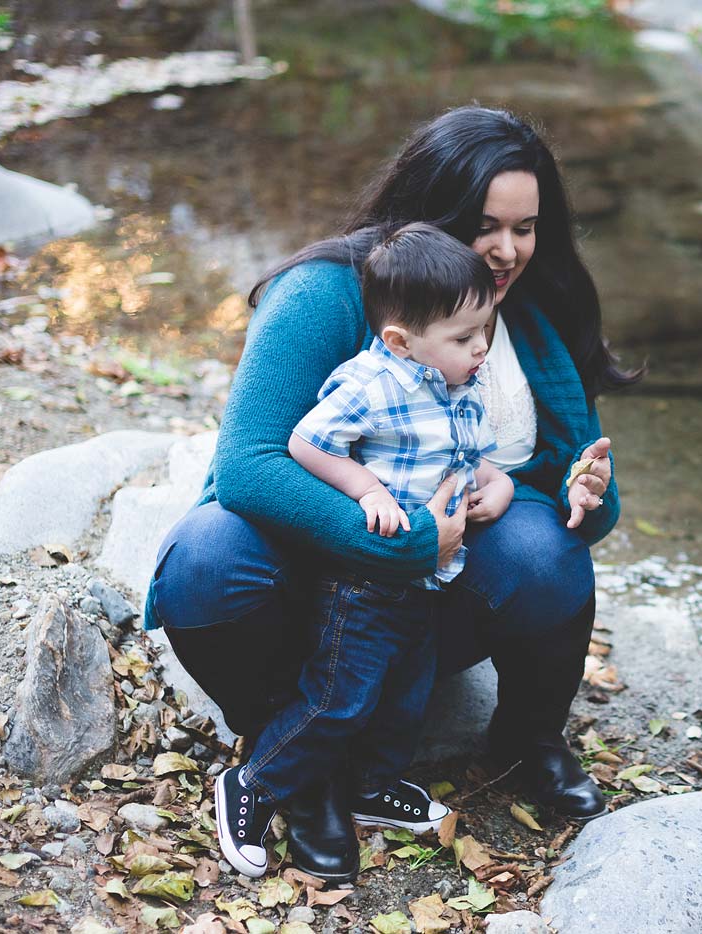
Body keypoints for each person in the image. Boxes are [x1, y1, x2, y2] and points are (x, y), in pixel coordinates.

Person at [146, 105, 641, 884]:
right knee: (207, 561)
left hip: (428, 599)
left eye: (527, 226)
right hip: (317, 571)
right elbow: (248, 465)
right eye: (485, 225)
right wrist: (407, 537)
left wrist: (584, 492)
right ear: (432, 211)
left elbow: (566, 482)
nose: (508, 251)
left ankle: (526, 738)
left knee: (548, 553)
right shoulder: (327, 291)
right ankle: (296, 762)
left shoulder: (534, 312)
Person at [214, 224, 512, 880]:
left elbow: (468, 458)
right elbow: (307, 442)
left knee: (406, 694)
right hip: (362, 582)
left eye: (484, 332)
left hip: (428, 582)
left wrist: (498, 483)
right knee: (339, 696)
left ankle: (371, 787)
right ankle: (255, 784)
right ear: (404, 341)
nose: (481, 348)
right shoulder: (374, 381)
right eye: (465, 338)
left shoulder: (459, 387)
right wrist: (366, 487)